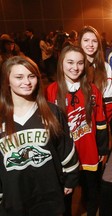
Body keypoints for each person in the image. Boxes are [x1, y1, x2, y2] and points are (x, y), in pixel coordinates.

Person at [0, 56, 79, 215]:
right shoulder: (1, 117)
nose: (27, 82)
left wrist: (71, 179)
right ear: (7, 80)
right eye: (19, 77)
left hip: (49, 196)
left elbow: (65, 148)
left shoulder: (51, 111)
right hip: (15, 199)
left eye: (32, 76)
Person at [46, 45, 109, 216]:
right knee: (65, 195)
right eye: (70, 62)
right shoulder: (51, 91)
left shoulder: (92, 89)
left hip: (88, 151)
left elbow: (101, 120)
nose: (75, 67)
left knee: (91, 191)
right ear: (61, 64)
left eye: (80, 63)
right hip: (64, 157)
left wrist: (102, 149)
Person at [79, 25, 112, 123]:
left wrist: (101, 123)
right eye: (86, 40)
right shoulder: (74, 67)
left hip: (100, 121)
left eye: (94, 41)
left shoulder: (105, 67)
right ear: (80, 43)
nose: (90, 44)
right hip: (78, 124)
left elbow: (110, 101)